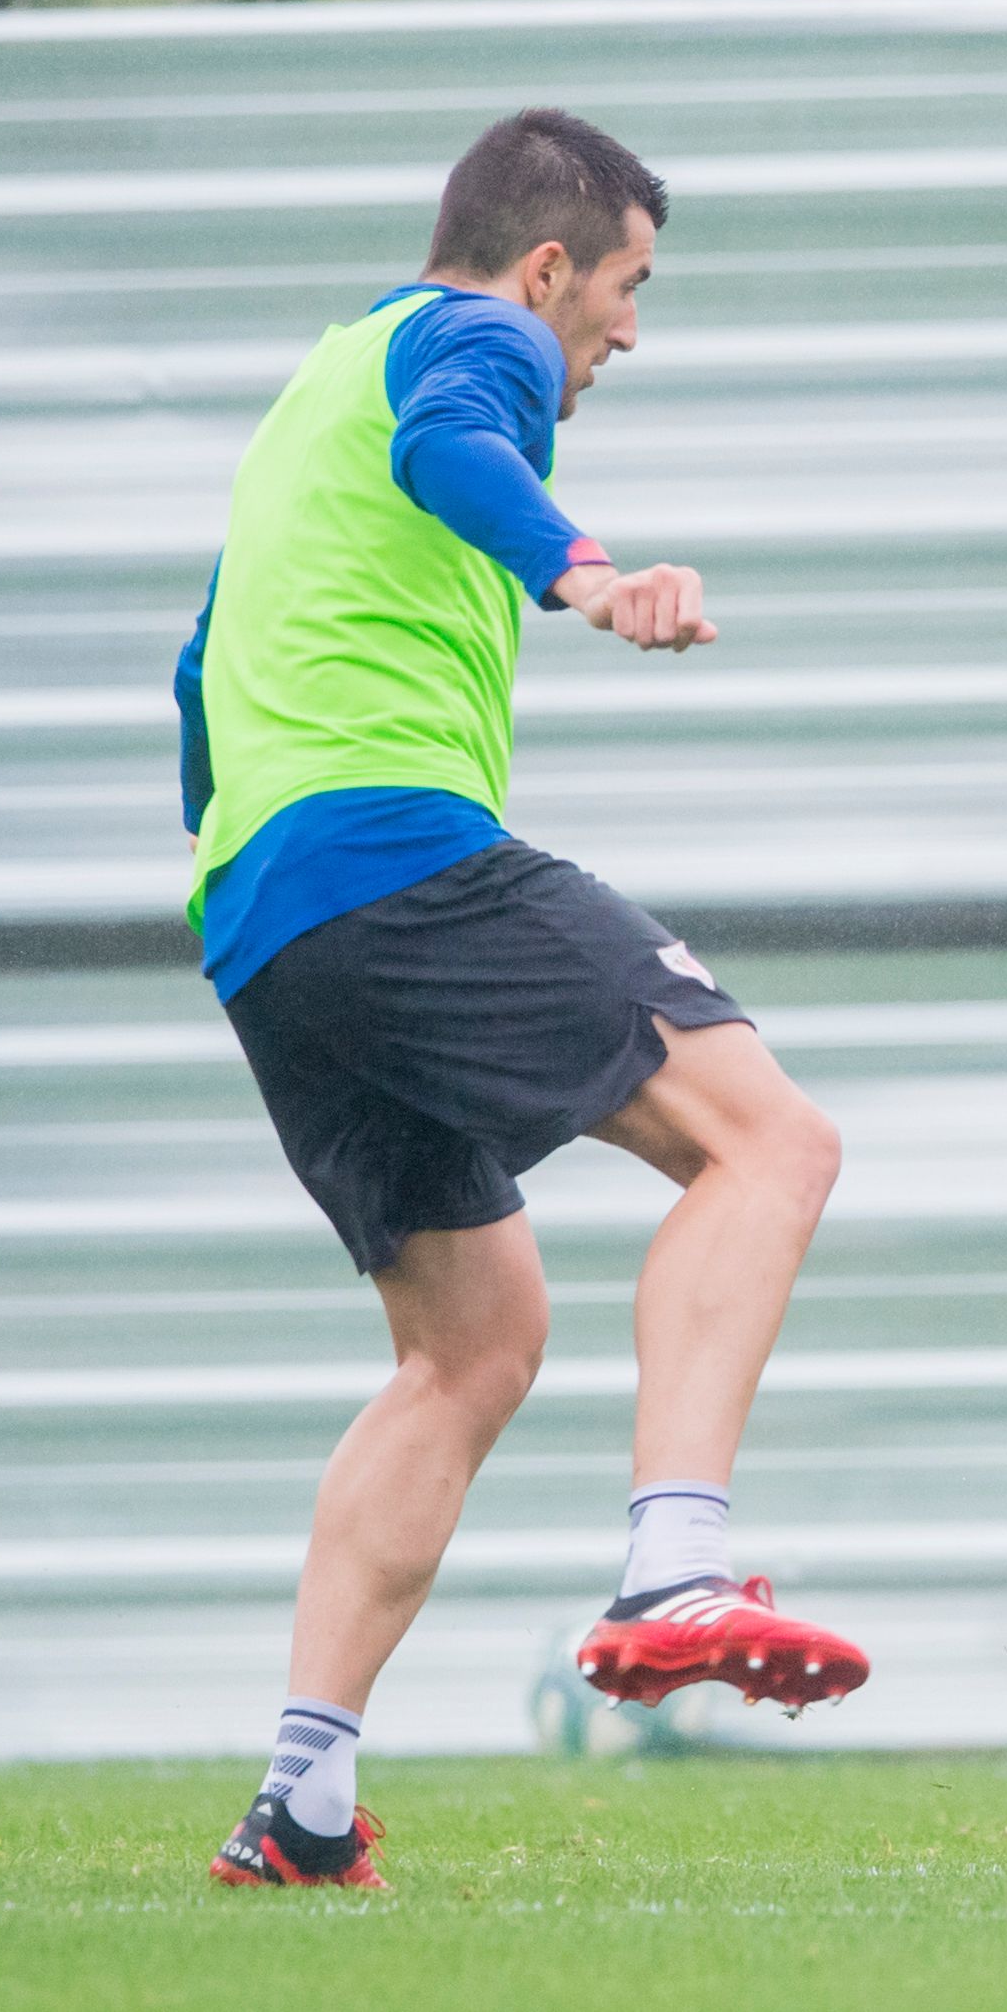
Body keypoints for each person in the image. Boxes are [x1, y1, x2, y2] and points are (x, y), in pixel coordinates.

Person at [185, 110, 864, 1891]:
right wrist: (576, 567)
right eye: (628, 287)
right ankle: (675, 1560)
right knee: (770, 1141)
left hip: (264, 918)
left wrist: (250, 855)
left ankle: (304, 1797)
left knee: (471, 1342)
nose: (630, 330)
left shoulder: (309, 391)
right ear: (550, 265)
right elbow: (458, 440)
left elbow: (201, 667)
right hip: (388, 850)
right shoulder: (473, 339)